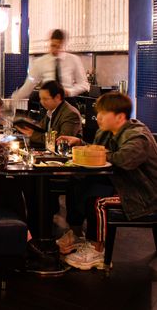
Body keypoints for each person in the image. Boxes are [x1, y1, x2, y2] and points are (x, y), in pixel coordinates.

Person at [56, 93, 157, 270]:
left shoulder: (138, 136)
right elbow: (100, 153)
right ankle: (77, 235)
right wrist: (80, 143)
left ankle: (97, 251)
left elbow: (124, 159)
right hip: (120, 185)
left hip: (142, 194)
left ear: (120, 117)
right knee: (77, 183)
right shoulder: (105, 132)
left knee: (98, 202)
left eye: (103, 113)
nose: (98, 117)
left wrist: (92, 151)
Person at [12, 29, 89, 100]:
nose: (55, 50)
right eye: (53, 45)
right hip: (48, 102)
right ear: (50, 42)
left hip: (67, 101)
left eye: (58, 46)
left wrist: (69, 91)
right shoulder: (40, 62)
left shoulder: (74, 60)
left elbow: (84, 84)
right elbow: (29, 85)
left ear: (63, 44)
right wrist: (14, 98)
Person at [17, 80, 82, 149]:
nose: (42, 102)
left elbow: (62, 141)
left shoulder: (70, 114)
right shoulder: (50, 110)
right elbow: (41, 129)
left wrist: (32, 134)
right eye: (41, 99)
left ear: (57, 97)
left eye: (45, 99)